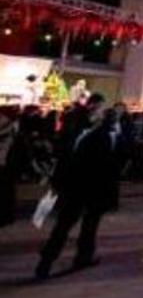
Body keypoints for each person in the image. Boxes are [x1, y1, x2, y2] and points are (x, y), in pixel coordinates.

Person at [36, 105, 122, 279]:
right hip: (93, 189)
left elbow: (64, 159)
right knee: (88, 226)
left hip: (74, 188)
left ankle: (46, 261)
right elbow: (111, 169)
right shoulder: (107, 138)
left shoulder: (79, 134)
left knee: (64, 225)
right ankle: (81, 257)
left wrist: (58, 183)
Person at [0, 106, 20, 227]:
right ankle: (6, 215)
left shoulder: (5, 123)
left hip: (3, 162)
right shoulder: (13, 125)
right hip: (7, 163)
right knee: (6, 191)